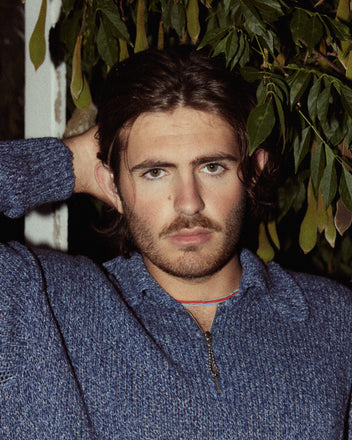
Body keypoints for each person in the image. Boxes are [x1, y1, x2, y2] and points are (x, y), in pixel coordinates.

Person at [0, 47, 351, 439]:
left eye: (212, 167)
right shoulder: (40, 305)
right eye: (155, 172)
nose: (189, 202)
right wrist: (71, 161)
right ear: (111, 184)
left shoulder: (333, 322)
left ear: (253, 171)